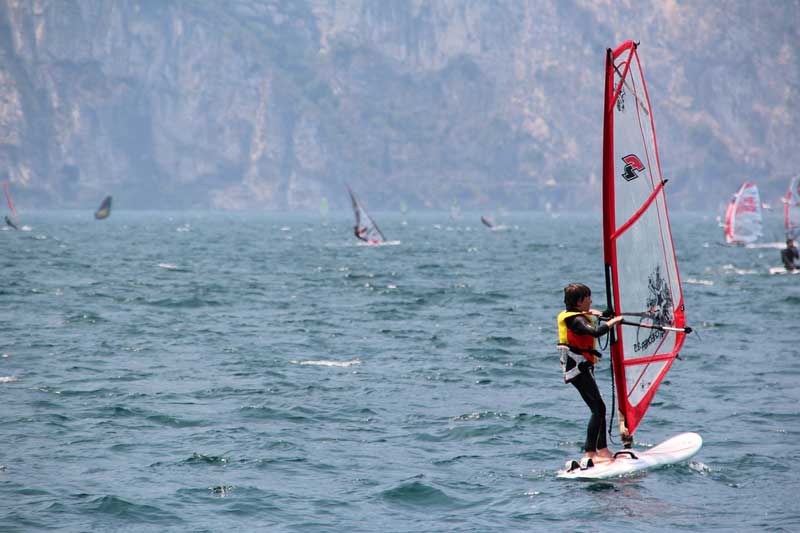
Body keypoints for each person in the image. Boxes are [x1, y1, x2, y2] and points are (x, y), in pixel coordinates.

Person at [557, 283, 624, 470]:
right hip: (578, 369)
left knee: (599, 407)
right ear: (579, 302)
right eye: (588, 298)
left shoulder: (576, 315)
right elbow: (595, 331)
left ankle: (601, 450)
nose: (591, 301)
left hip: (581, 367)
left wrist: (604, 314)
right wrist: (614, 322)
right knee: (598, 409)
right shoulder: (575, 321)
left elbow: (591, 319)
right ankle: (592, 452)